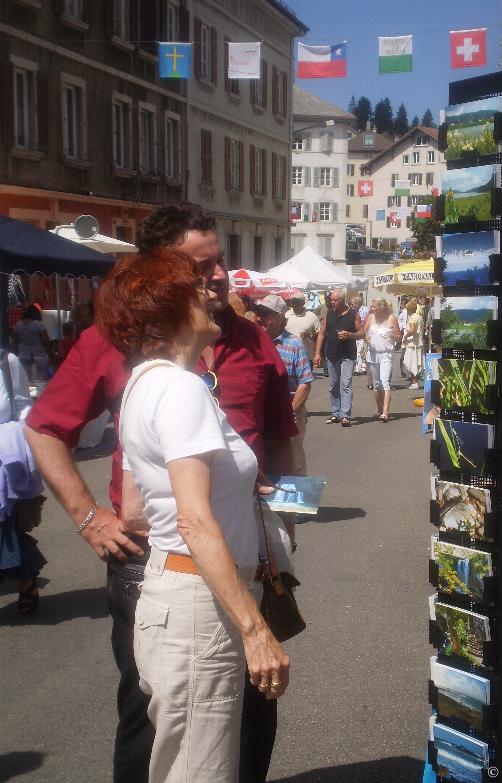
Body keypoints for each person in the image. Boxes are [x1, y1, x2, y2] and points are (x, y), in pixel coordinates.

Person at [25, 203, 298, 783]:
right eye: (199, 269)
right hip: (176, 565)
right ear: (163, 282)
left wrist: (283, 523)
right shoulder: (137, 356)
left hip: (240, 559)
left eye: (219, 262)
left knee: (244, 718)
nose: (216, 277)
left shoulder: (246, 340)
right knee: (158, 725)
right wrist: (91, 518)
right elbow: (44, 427)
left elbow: (281, 438)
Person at [95, 248, 290, 783]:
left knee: (183, 763)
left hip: (176, 594)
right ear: (166, 312)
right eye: (194, 286)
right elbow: (193, 521)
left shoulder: (142, 384)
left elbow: (137, 509)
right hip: (200, 603)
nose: (209, 291)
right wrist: (254, 630)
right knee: (200, 771)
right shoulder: (182, 389)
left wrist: (235, 490)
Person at [0, 348, 45, 614]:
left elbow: (21, 406)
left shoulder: (7, 361)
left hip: (3, 460)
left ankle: (25, 582)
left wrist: (27, 448)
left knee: (5, 529)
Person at [255, 295, 313, 477]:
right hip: (261, 412)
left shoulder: (294, 344)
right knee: (263, 459)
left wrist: (289, 413)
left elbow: (305, 383)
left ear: (280, 318)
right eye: (258, 313)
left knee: (293, 461)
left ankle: (296, 494)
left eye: (265, 314)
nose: (259, 318)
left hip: (290, 410)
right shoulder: (254, 343)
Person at [314, 289, 364, 427]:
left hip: (348, 355)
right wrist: (317, 353)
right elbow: (322, 333)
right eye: (331, 300)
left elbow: (362, 333)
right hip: (332, 354)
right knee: (334, 384)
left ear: (343, 300)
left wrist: (350, 335)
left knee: (346, 384)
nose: (332, 302)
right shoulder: (329, 313)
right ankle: (336, 413)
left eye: (335, 300)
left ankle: (345, 415)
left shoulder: (353, 314)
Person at [363, 299, 401, 422]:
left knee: (385, 382)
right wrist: (366, 338)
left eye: (374, 306)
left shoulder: (391, 319)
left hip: (386, 354)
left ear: (382, 307)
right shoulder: (370, 317)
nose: (371, 308)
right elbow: (363, 332)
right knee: (376, 384)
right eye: (372, 306)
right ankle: (379, 409)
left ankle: (385, 412)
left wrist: (390, 335)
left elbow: (399, 337)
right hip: (373, 354)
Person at [12, 305, 50, 381]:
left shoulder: (18, 324)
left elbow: (15, 341)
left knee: (25, 379)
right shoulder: (39, 324)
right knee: (41, 380)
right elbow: (46, 340)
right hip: (39, 354)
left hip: (23, 354)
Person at [285, 295, 320, 362]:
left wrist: (310, 334)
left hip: (307, 357)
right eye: (293, 302)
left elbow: (320, 334)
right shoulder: (286, 315)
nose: (294, 304)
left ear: (303, 303)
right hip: (288, 356)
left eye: (297, 302)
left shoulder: (312, 316)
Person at [402, 298, 424, 389]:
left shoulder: (412, 318)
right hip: (418, 343)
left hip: (412, 344)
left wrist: (405, 336)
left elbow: (411, 330)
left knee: (412, 363)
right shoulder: (419, 317)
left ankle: (414, 382)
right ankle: (413, 381)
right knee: (415, 363)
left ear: (409, 309)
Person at [351, 296, 369, 375]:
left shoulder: (365, 310)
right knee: (361, 351)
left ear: (357, 304)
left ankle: (358, 369)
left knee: (360, 351)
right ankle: (363, 367)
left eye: (352, 304)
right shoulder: (354, 311)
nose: (351, 306)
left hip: (363, 333)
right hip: (357, 333)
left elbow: (367, 321)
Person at [397, 296, 409, 379]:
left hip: (405, 335)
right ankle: (403, 371)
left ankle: (404, 371)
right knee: (403, 356)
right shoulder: (402, 312)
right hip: (403, 335)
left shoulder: (405, 312)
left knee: (404, 356)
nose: (401, 305)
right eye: (401, 303)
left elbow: (403, 325)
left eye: (403, 304)